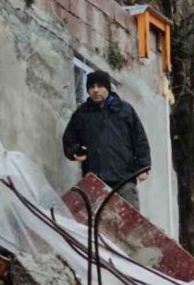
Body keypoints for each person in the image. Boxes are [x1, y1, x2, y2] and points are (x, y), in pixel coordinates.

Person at [62, 70, 151, 208]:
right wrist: (75, 150)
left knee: (129, 223)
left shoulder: (125, 110)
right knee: (97, 224)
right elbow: (69, 138)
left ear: (107, 88)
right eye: (91, 87)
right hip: (95, 180)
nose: (95, 90)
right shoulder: (82, 114)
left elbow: (139, 139)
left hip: (123, 178)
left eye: (99, 86)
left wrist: (143, 167)